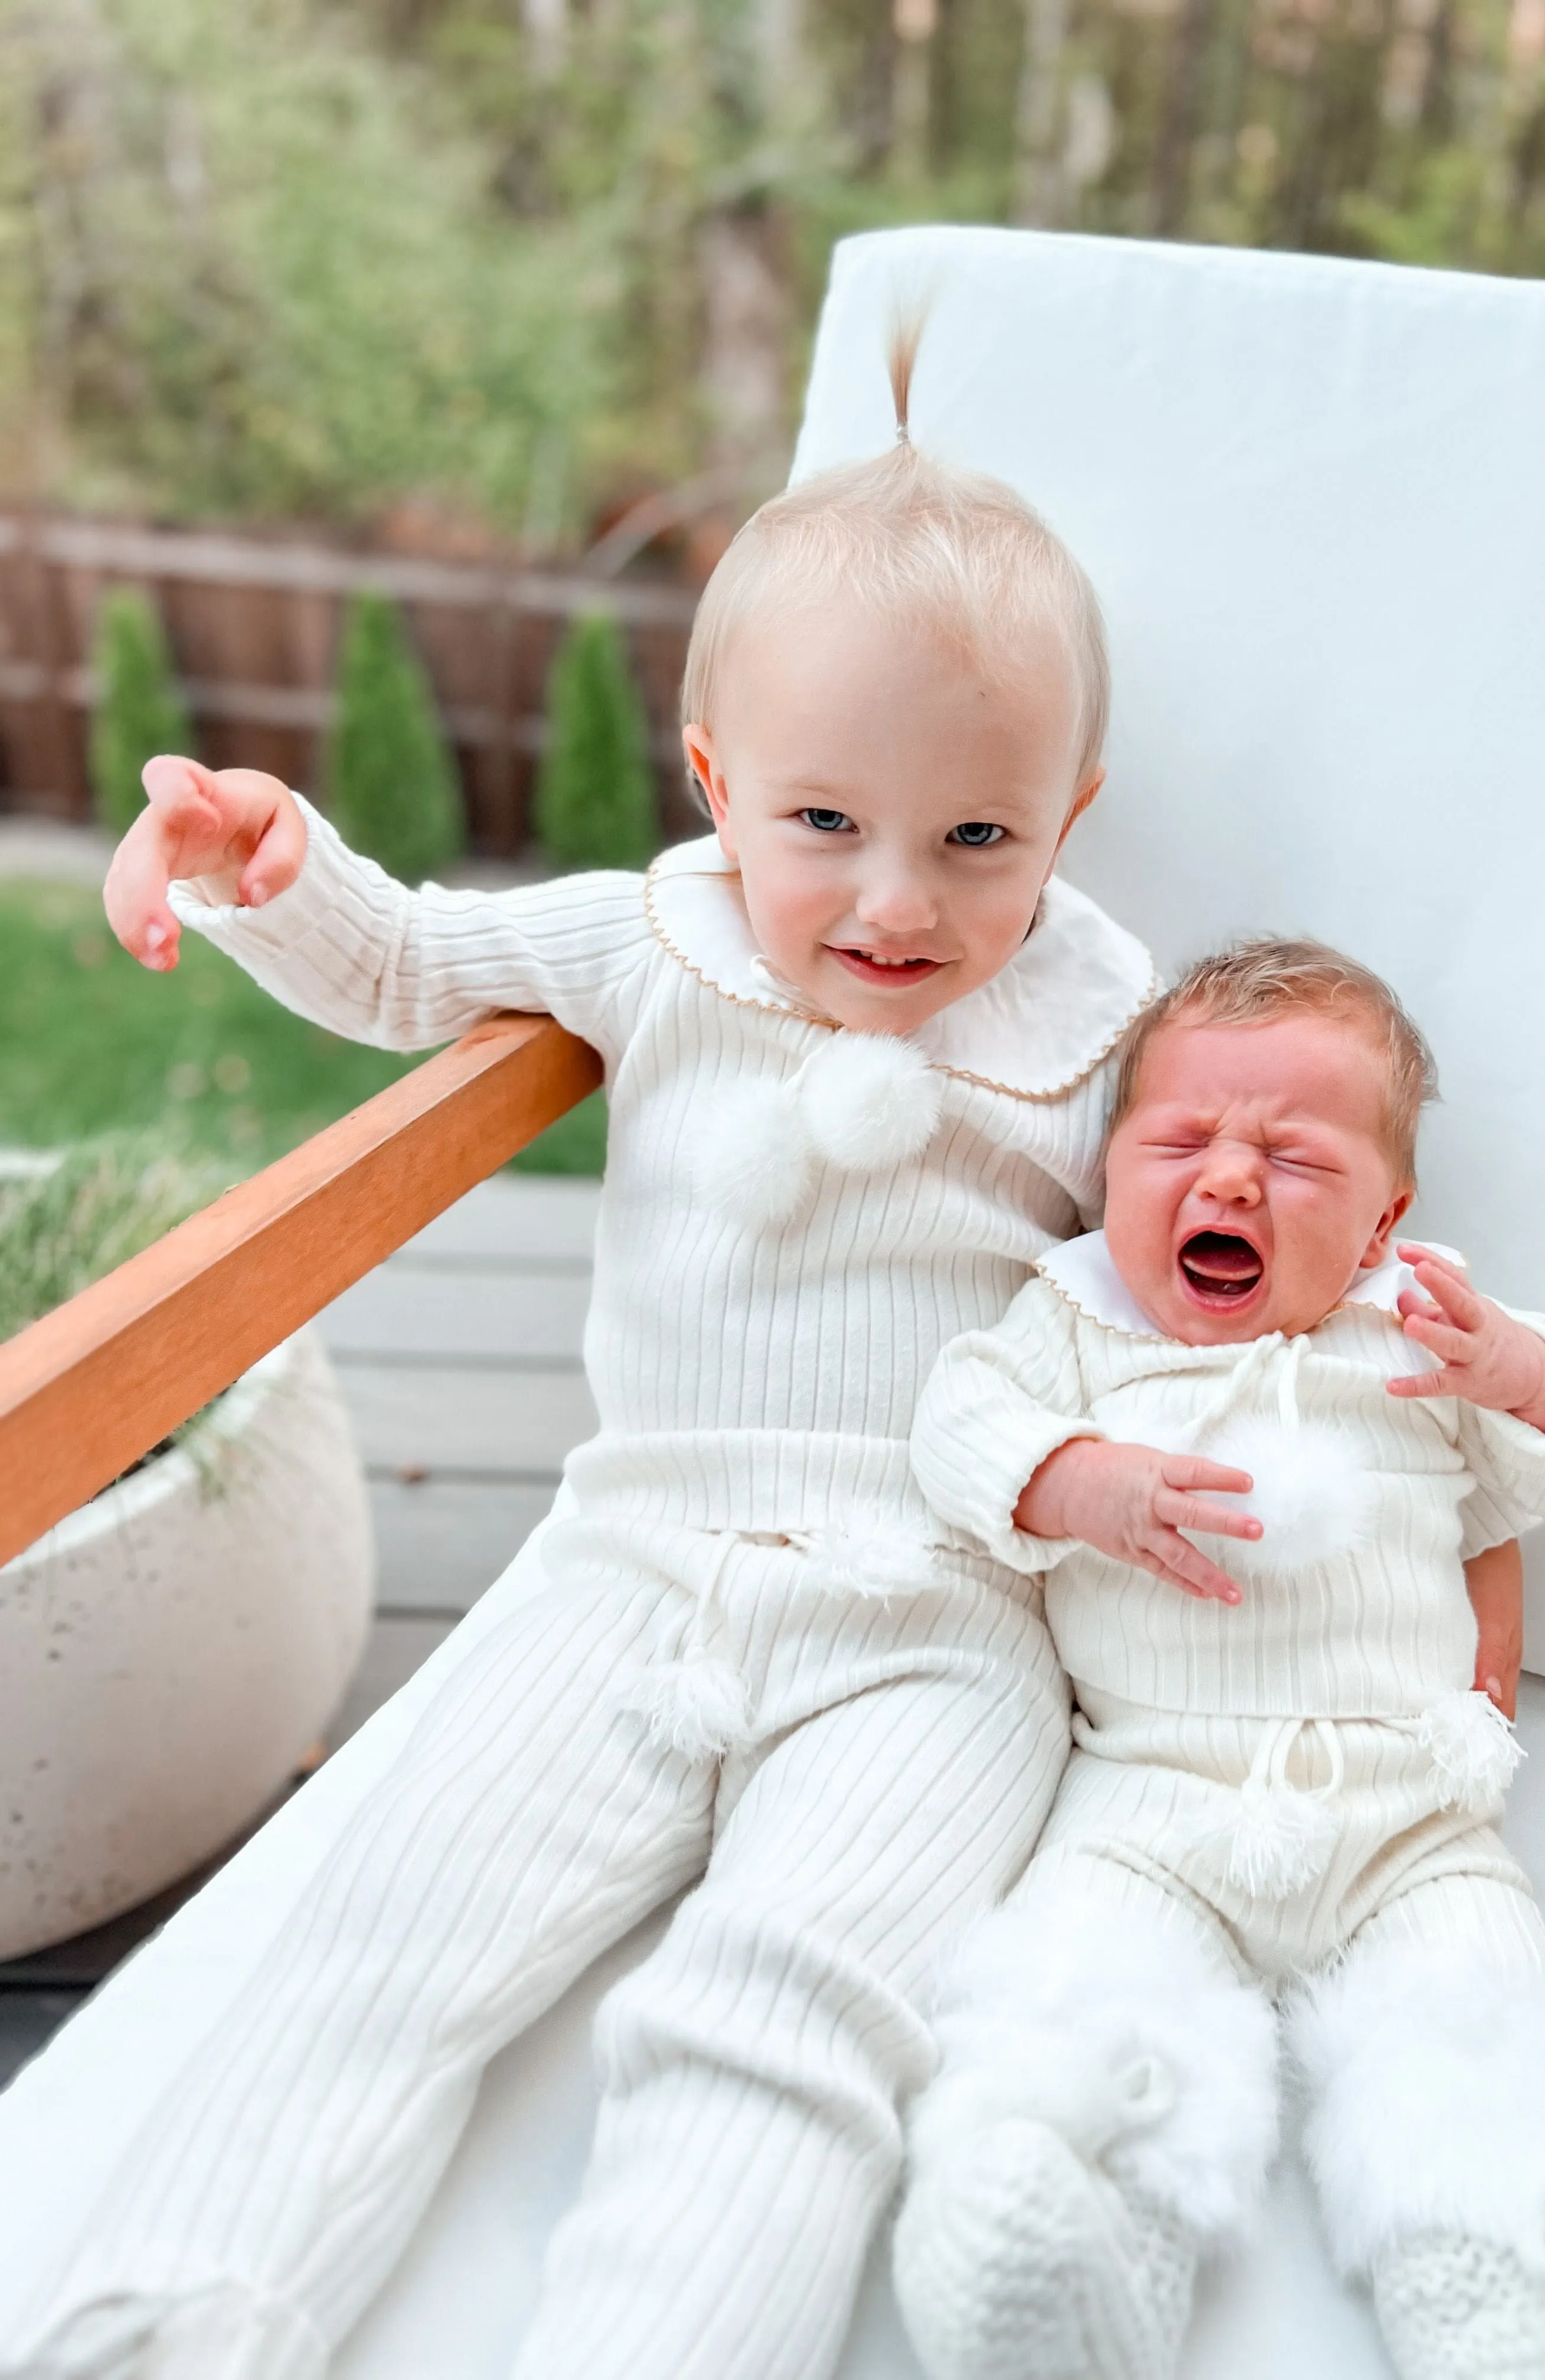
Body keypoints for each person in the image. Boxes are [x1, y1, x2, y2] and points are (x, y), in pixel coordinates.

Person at [9, 345, 1188, 2380]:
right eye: (827, 819)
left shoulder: (1107, 1035)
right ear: (719, 778)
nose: (897, 903)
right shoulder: (657, 942)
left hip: (941, 1622)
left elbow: (1198, 1272)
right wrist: (264, 860)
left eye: (980, 839)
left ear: (1069, 820)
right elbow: (404, 966)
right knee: (384, 1945)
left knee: (791, 2012)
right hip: (628, 1566)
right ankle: (165, 2328)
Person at [890, 937, 1545, 2380]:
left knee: (1486, 2036)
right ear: (1111, 1170)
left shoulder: (1415, 1333)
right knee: (1075, 1999)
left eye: (1295, 1162)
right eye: (1178, 1141)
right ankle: (1061, 2233)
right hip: (1148, 1806)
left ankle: (1524, 2287)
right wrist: (1075, 1478)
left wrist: (1516, 1370)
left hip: (1410, 1824)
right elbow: (957, 1426)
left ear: (1385, 1219)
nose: (1230, 1179)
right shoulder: (1070, 1324)